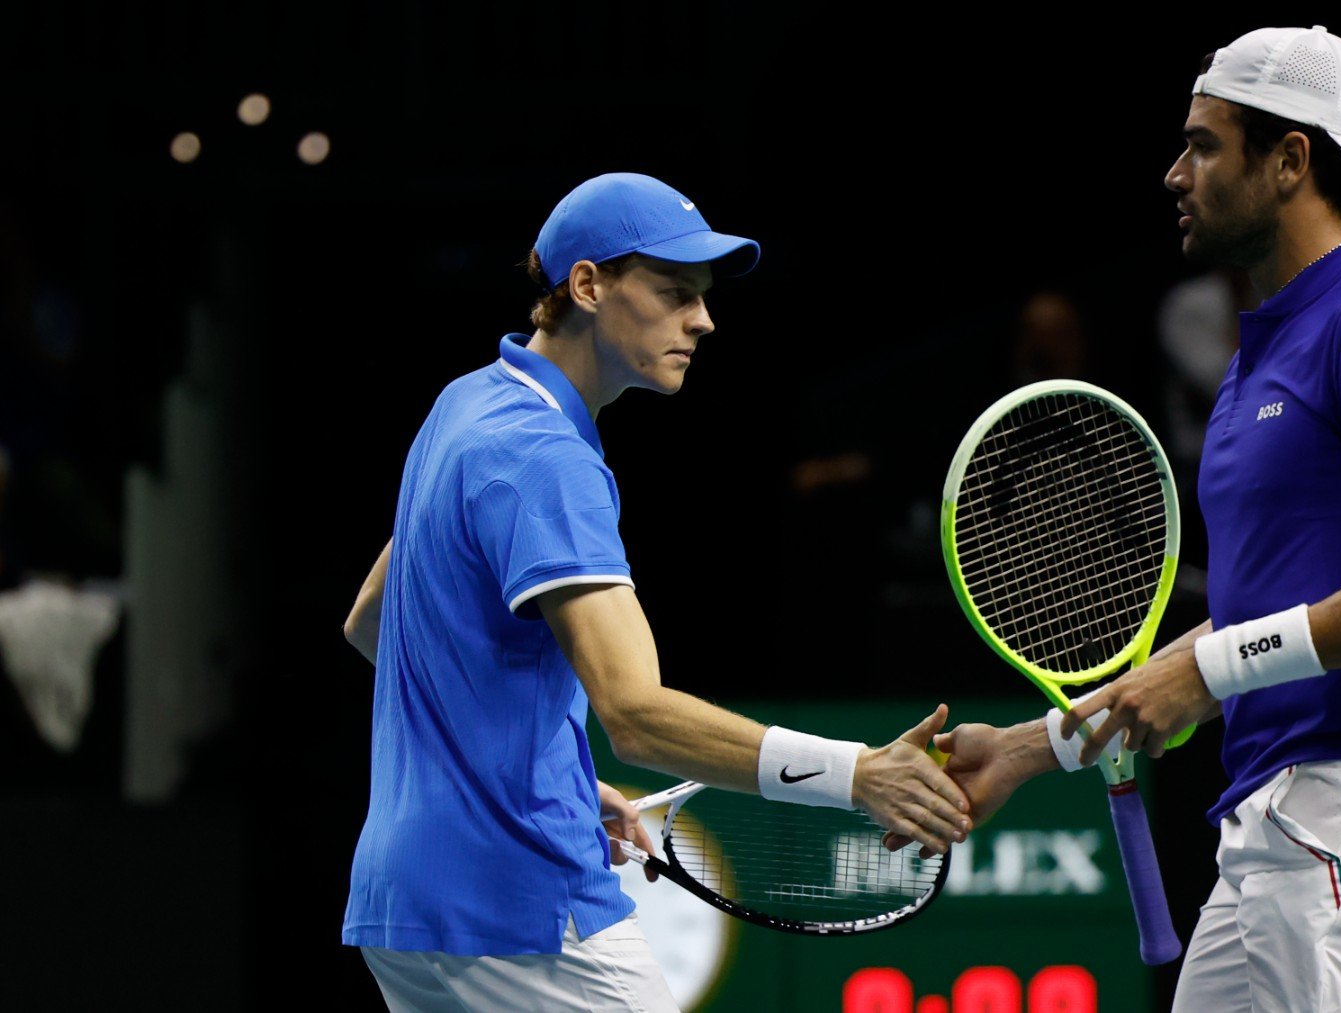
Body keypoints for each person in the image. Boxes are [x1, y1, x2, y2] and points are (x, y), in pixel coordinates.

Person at [922, 27, 1341, 1011]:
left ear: (1290, 161)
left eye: (1202, 144)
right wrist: (1030, 749)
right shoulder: (1263, 354)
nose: (1173, 172)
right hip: (1282, 823)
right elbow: (1259, 611)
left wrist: (1208, 671)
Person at [338, 172, 970, 1011]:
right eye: (674, 292)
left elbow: (375, 621)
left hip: (404, 904)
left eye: (702, 296)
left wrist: (543, 768)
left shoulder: (465, 406)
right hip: (519, 906)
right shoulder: (546, 458)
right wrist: (856, 773)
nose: (702, 318)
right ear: (588, 285)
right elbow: (633, 714)